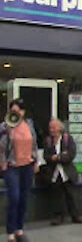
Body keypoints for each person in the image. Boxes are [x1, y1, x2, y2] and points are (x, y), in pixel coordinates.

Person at [0, 98, 39, 242]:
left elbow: (34, 144)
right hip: (11, 166)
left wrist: (36, 161)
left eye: (19, 110)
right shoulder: (5, 126)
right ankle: (10, 231)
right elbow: (1, 147)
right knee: (14, 198)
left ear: (23, 112)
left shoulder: (29, 124)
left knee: (23, 198)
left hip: (27, 166)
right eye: (13, 110)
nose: (16, 113)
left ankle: (19, 229)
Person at [43, 118, 82, 225]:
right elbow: (46, 156)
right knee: (57, 196)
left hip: (66, 171)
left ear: (60, 128)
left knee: (70, 194)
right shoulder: (47, 141)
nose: (51, 130)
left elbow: (71, 154)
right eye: (50, 128)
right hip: (54, 173)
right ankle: (58, 217)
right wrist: (56, 157)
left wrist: (58, 157)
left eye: (54, 127)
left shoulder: (67, 139)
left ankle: (75, 215)